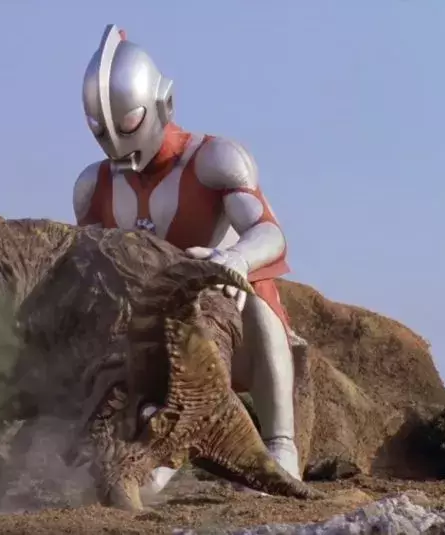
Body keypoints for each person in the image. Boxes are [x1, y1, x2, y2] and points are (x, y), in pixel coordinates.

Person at [73, 24, 303, 494]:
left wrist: (233, 259)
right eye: (101, 129)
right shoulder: (94, 186)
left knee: (259, 296)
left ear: (163, 104)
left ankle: (280, 443)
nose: (116, 143)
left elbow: (270, 234)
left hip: (218, 312)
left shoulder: (216, 160)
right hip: (141, 327)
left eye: (129, 122)